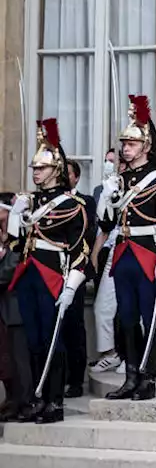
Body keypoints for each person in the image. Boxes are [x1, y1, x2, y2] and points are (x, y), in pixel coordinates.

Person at [99, 95, 156, 402]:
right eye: (124, 143)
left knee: (150, 318)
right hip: (123, 253)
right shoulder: (119, 180)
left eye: (132, 144)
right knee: (126, 318)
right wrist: (107, 200)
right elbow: (107, 223)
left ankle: (148, 378)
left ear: (146, 146)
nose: (125, 148)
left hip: (149, 254)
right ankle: (131, 375)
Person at [6, 119, 91, 423]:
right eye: (34, 169)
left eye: (40, 168)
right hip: (28, 275)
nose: (36, 173)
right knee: (33, 341)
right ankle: (36, 398)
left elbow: (81, 250)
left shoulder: (71, 205)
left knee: (52, 340)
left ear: (56, 169)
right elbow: (17, 244)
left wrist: (72, 285)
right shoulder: (30, 202)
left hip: (53, 275)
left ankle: (55, 401)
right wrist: (16, 219)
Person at [62, 160, 96, 398]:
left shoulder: (85, 201)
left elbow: (88, 232)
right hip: (51, 269)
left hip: (75, 268)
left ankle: (75, 379)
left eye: (66, 175)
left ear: (76, 178)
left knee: (74, 326)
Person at [89, 149, 123, 374]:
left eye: (113, 161)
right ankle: (109, 353)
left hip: (136, 248)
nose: (109, 165)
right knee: (102, 306)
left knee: (133, 310)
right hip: (111, 251)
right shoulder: (102, 189)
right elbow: (104, 225)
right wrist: (94, 254)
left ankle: (132, 357)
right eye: (107, 160)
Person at [0, 193, 26, 420]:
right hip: (3, 308)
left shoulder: (20, 237)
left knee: (17, 360)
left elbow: (8, 270)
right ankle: (10, 400)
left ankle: (20, 402)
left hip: (15, 306)